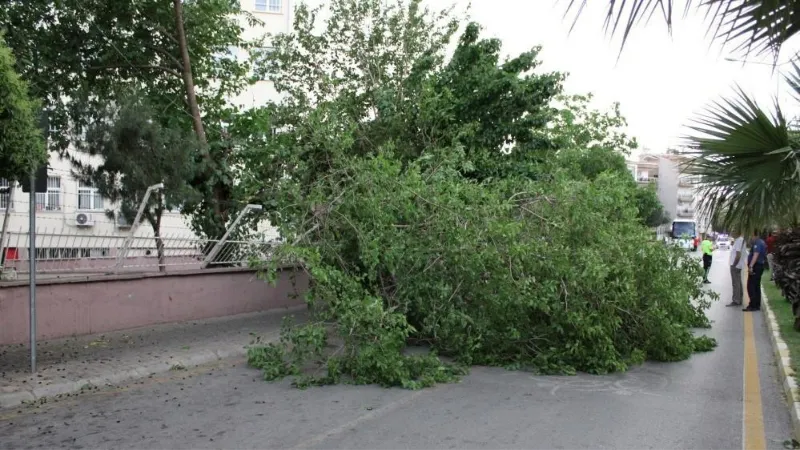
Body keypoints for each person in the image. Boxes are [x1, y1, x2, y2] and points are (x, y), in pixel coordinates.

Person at [743, 230, 767, 312]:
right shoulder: (762, 242)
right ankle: (757, 304)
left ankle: (753, 305)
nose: (751, 238)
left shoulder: (758, 243)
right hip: (759, 266)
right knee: (756, 286)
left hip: (756, 267)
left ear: (754, 235)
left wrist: (750, 266)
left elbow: (756, 255)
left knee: (751, 286)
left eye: (751, 236)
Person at [727, 230, 746, 307]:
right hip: (739, 265)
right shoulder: (740, 240)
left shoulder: (739, 240)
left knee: (735, 283)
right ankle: (739, 299)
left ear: (737, 232)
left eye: (733, 231)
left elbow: (738, 254)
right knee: (738, 282)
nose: (731, 233)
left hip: (736, 265)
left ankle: (736, 300)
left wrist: (734, 264)